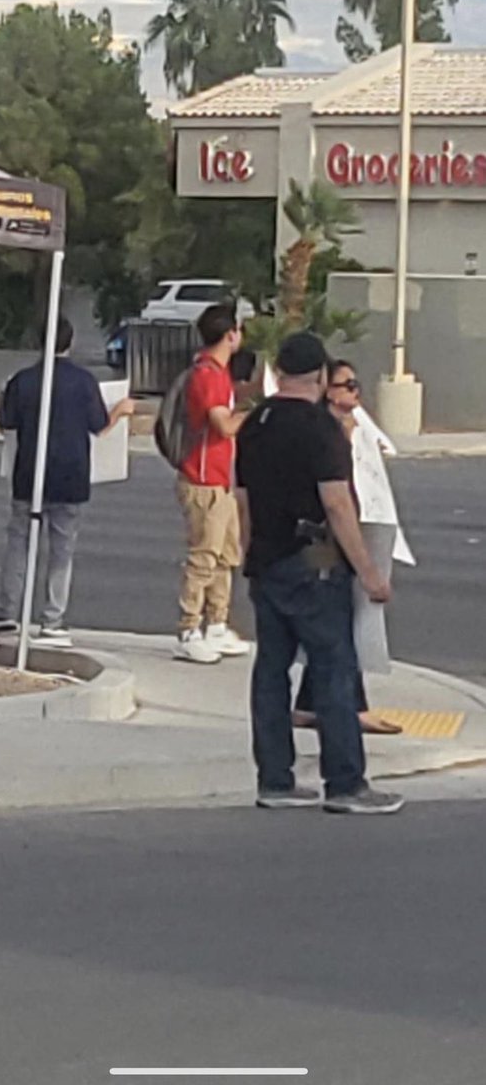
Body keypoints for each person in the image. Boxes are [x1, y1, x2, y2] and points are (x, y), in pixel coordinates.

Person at [235, 330, 405, 815]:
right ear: (321, 375)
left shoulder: (255, 424)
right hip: (314, 564)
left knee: (271, 670)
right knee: (333, 668)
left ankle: (275, 779)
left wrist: (251, 558)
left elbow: (242, 503)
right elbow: (336, 502)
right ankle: (346, 783)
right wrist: (368, 570)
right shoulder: (319, 428)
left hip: (267, 562)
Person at [0, 316, 134, 648]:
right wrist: (120, 410)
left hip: (29, 472)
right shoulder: (83, 381)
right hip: (70, 474)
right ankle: (52, 620)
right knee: (62, 549)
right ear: (70, 342)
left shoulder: (23, 381)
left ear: (38, 340)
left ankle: (8, 611)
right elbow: (99, 426)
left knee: (19, 543)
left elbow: (5, 422)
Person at [293, 358, 415, 736]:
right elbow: (336, 492)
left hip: (367, 521)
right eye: (347, 385)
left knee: (341, 617)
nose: (355, 391)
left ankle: (308, 703)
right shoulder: (326, 432)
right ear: (327, 389)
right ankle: (353, 707)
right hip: (343, 531)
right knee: (351, 618)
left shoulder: (356, 423)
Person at [175, 304, 257, 664]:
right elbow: (222, 425)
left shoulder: (219, 373)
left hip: (221, 479)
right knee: (204, 557)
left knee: (225, 555)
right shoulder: (208, 375)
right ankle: (189, 628)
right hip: (203, 477)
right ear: (230, 335)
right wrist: (253, 411)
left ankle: (217, 624)